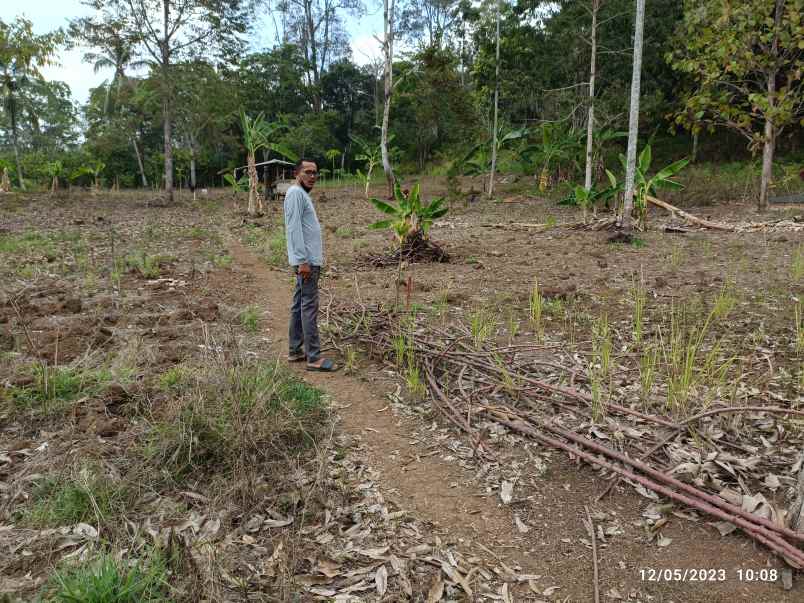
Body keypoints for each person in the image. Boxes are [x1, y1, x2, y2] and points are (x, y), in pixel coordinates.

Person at [284, 158, 338, 371]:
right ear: (297, 173)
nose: (312, 176)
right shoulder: (296, 193)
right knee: (309, 307)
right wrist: (302, 261)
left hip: (306, 261)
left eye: (315, 173)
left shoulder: (298, 194)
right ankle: (313, 357)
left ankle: (295, 350)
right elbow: (293, 228)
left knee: (299, 305)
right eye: (307, 172)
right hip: (307, 262)